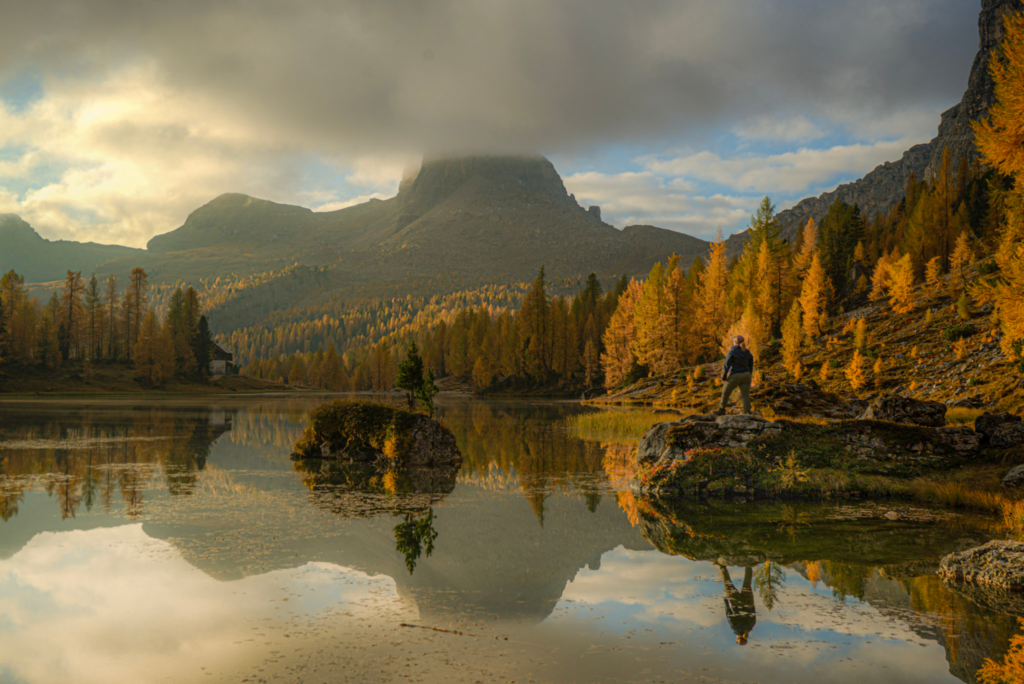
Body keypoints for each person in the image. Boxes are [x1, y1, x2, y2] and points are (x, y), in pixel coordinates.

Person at [717, 562, 756, 646]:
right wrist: (726, 603)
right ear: (739, 637)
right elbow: (729, 614)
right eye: (737, 639)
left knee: (747, 582)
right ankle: (722, 565)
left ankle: (748, 564)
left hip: (748, 603)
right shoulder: (735, 627)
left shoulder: (751, 625)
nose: (736, 638)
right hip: (736, 603)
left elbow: (753, 611)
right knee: (728, 584)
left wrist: (749, 603)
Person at [716, 335, 754, 415]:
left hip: (736, 375)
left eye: (733, 341)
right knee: (745, 395)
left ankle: (721, 411)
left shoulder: (732, 351)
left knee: (725, 392)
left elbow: (726, 365)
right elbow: (751, 361)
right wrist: (749, 372)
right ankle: (747, 412)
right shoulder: (747, 351)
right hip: (746, 375)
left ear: (735, 342)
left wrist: (724, 377)